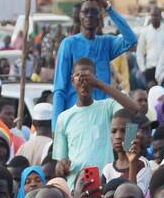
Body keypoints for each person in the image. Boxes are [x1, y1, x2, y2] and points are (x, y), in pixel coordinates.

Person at [52, 57, 144, 187]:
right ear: (72, 80)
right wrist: (61, 166)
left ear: (95, 79)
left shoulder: (107, 107)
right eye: (79, 76)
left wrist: (100, 84)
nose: (84, 81)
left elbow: (135, 109)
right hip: (77, 187)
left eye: (88, 76)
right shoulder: (63, 118)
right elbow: (60, 162)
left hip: (105, 184)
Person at [52, 0, 137, 127]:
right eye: (85, 11)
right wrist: (56, 128)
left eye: (94, 12)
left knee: (131, 127)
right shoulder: (68, 44)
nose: (89, 15)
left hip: (101, 120)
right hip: (75, 119)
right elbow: (59, 89)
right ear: (79, 16)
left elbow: (131, 39)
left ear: (100, 17)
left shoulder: (106, 43)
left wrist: (107, 7)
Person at [137, 7, 164, 86]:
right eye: (152, 15)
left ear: (160, 17)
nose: (154, 18)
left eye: (156, 15)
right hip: (150, 68)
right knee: (151, 92)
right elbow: (140, 51)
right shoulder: (145, 31)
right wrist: (143, 69)